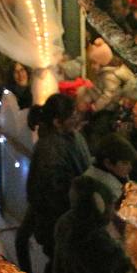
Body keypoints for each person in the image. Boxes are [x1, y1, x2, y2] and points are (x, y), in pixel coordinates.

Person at [25, 93, 91, 262]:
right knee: (59, 267)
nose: (76, 118)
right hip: (57, 224)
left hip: (69, 220)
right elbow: (52, 194)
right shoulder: (49, 150)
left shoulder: (70, 137)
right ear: (57, 122)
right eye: (72, 116)